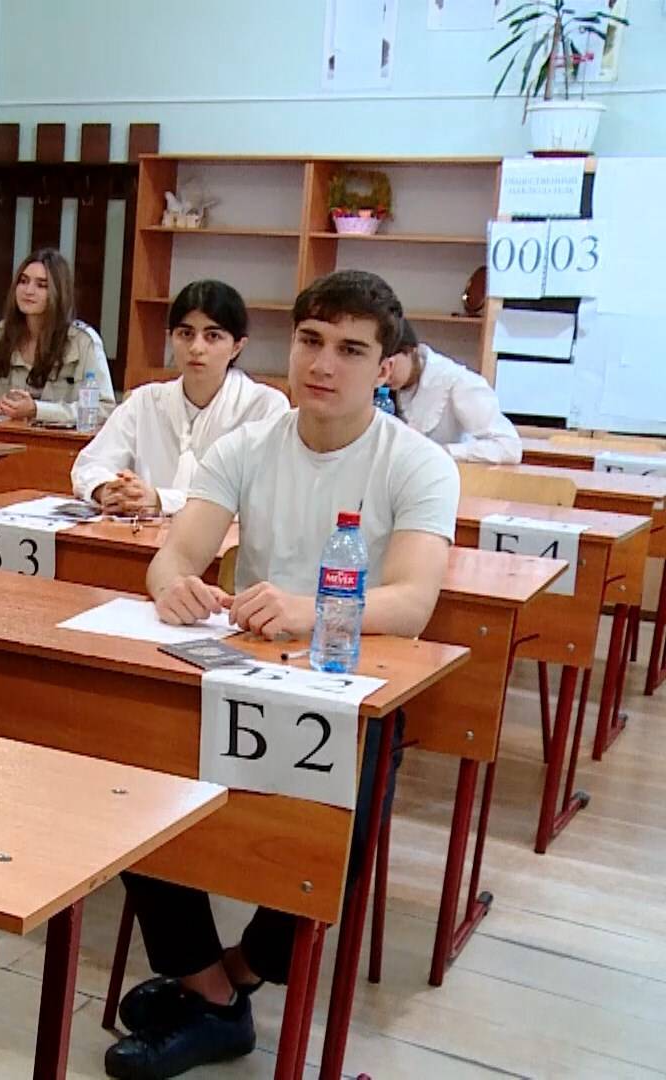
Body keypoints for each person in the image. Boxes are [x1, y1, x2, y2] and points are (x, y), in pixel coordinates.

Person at [110, 271, 457, 1080]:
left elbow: (412, 602)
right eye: (310, 341)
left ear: (386, 367)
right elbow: (175, 553)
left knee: (329, 847)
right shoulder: (247, 445)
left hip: (353, 690)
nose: (323, 364)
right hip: (243, 673)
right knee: (129, 779)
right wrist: (173, 586)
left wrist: (312, 608)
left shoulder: (418, 463)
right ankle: (206, 988)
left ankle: (228, 980)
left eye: (351, 350)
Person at [71, 280, 288, 515]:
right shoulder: (145, 401)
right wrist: (109, 490)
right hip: (141, 532)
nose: (196, 348)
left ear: (237, 346)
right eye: (186, 334)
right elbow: (89, 465)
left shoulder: (265, 407)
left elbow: (260, 498)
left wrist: (160, 501)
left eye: (212, 336)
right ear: (170, 337)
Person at [0, 248, 115, 423]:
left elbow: (104, 409)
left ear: (59, 292)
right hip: (1, 435)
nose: (28, 291)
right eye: (23, 281)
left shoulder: (83, 342)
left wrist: (38, 410)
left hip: (55, 438)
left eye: (41, 285)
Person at [385, 319, 522, 464]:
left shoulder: (457, 382)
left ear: (411, 350)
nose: (384, 374)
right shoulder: (379, 386)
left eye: (390, 364)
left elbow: (509, 448)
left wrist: (443, 452)